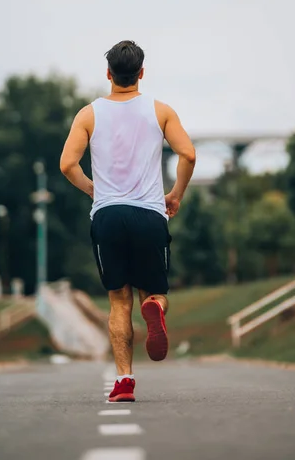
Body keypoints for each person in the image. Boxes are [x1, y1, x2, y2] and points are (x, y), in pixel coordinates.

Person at [60, 40, 196, 402]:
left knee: (118, 301)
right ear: (141, 73)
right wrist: (176, 194)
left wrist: (94, 190)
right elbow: (188, 154)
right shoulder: (161, 111)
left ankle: (124, 382)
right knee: (154, 293)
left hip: (107, 215)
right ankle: (155, 307)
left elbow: (66, 165)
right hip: (150, 214)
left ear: (108, 74)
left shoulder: (88, 114)